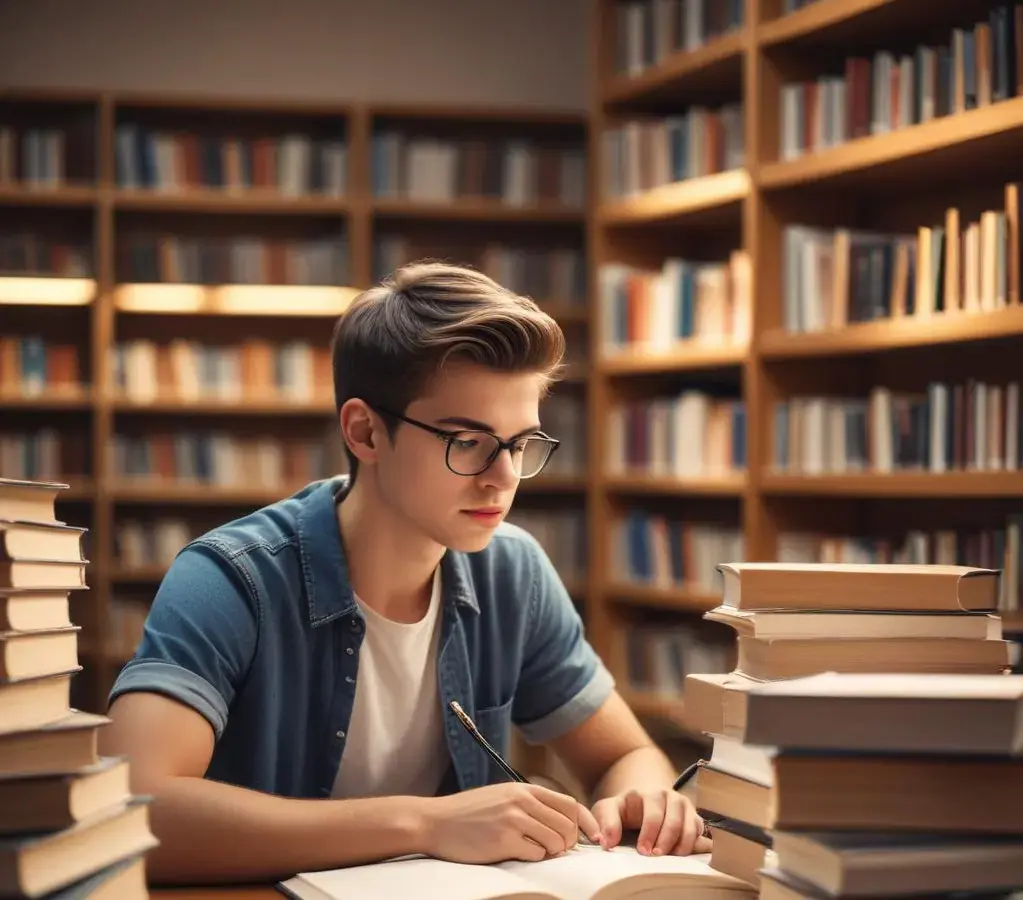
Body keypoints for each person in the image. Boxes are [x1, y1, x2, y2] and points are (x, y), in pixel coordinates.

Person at [100, 261, 711, 885]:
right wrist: (424, 824)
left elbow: (624, 754)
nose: (502, 477)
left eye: (521, 443)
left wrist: (646, 799)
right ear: (365, 431)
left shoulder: (513, 570)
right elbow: (132, 809)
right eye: (467, 442)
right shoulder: (231, 579)